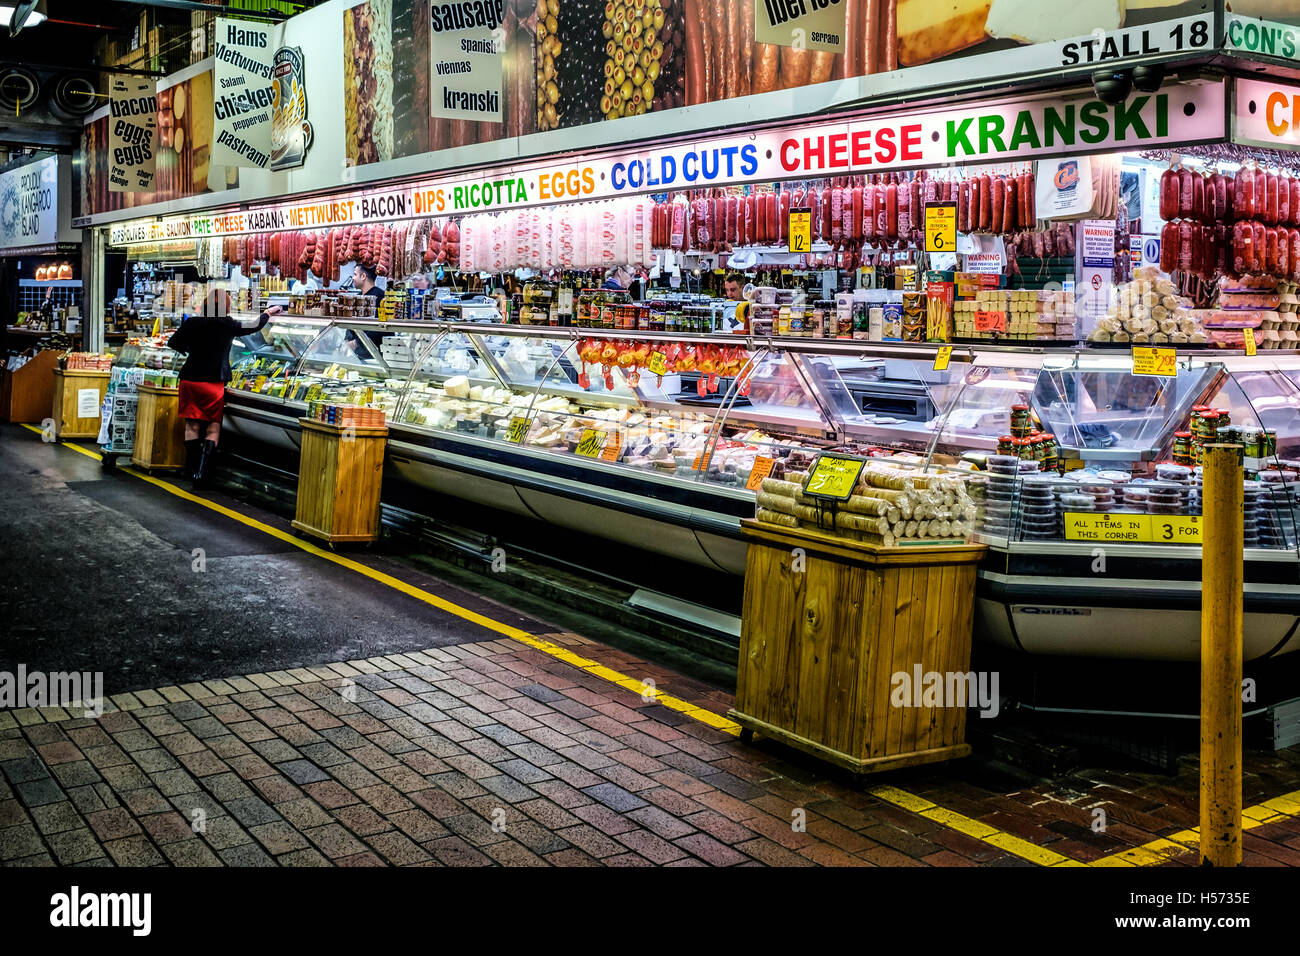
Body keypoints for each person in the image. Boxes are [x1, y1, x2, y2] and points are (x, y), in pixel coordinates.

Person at [167, 288, 282, 488]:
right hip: (213, 382)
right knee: (212, 427)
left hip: (190, 380)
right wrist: (268, 313)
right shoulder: (226, 324)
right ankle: (202, 475)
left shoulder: (193, 322)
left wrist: (190, 352)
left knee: (192, 425)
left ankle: (192, 471)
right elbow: (253, 326)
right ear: (226, 306)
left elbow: (172, 342)